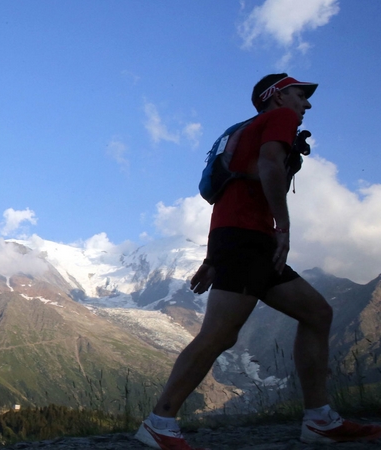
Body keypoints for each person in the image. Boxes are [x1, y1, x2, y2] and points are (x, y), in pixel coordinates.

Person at [135, 74, 381, 449]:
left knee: (317, 313)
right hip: (250, 238)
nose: (307, 105)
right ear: (278, 95)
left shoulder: (243, 131)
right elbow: (269, 163)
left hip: (243, 239)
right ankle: (159, 421)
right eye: (301, 95)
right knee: (219, 333)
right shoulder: (278, 118)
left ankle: (319, 420)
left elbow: (229, 193)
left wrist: (214, 256)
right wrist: (283, 225)